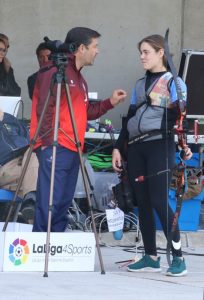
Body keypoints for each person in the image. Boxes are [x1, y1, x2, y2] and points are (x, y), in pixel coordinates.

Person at [31, 27, 127, 232]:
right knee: (50, 201)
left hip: (73, 146)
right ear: (81, 48)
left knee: (63, 202)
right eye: (95, 46)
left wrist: (110, 102)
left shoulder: (79, 77)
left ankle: (54, 245)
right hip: (55, 145)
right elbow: (44, 108)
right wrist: (49, 144)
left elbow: (86, 111)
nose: (98, 51)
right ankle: (39, 248)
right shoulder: (55, 70)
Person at [112, 34, 192, 277]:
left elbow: (181, 117)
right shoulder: (139, 84)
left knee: (159, 200)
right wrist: (118, 147)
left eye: (146, 51)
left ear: (161, 53)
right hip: (136, 147)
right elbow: (129, 119)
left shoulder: (173, 82)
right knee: (143, 203)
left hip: (160, 144)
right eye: (141, 52)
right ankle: (151, 256)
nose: (142, 56)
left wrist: (183, 144)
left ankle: (178, 257)